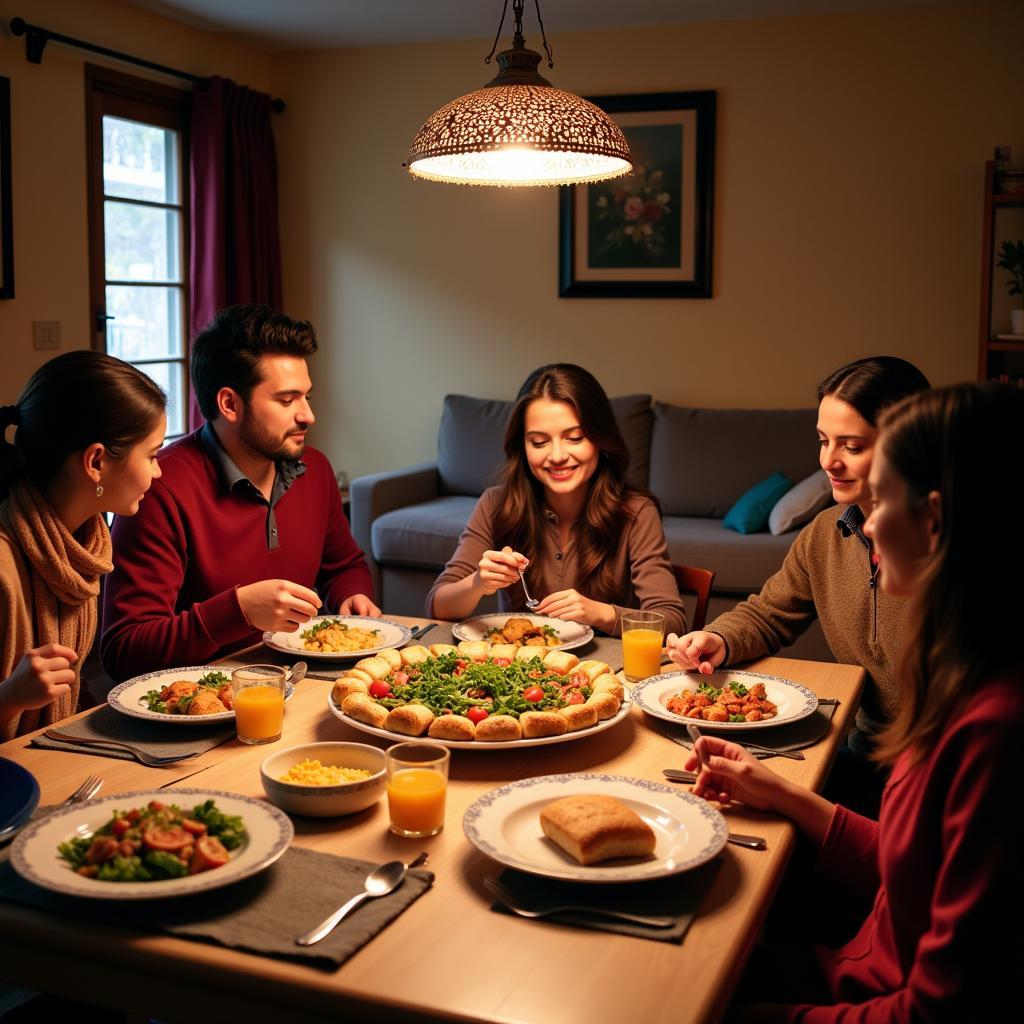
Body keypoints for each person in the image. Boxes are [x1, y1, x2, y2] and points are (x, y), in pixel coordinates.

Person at [686, 383, 1023, 1020]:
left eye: (882, 496)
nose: (865, 524)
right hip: (851, 964)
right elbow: (914, 877)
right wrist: (782, 792)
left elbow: (932, 1008)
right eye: (824, 442)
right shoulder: (963, 681)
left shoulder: (991, 733)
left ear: (934, 520)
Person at [666, 356, 929, 754]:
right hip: (865, 743)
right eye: (824, 441)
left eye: (852, 446)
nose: (827, 461)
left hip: (943, 761)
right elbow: (769, 613)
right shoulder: (826, 531)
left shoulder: (952, 550)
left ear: (908, 445)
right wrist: (719, 638)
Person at [100, 305, 378, 680]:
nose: (307, 415)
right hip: (198, 702)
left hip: (295, 681)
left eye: (306, 397)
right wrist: (237, 611)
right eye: (286, 400)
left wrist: (351, 595)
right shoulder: (159, 488)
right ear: (229, 404)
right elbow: (125, 652)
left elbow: (344, 565)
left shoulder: (315, 468)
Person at [428, 363, 685, 636]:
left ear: (600, 439)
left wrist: (600, 612)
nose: (558, 455)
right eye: (539, 442)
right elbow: (438, 606)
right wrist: (478, 583)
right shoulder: (495, 504)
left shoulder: (637, 512)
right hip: (520, 671)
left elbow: (672, 623)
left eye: (575, 438)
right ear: (522, 446)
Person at [0, 351, 167, 739]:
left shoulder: (82, 548)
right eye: (153, 455)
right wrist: (10, 696)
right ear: (95, 463)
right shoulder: (6, 564)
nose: (159, 472)